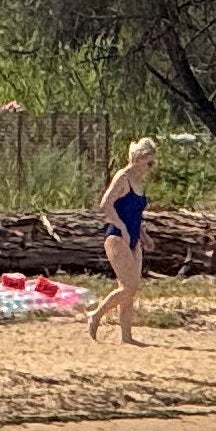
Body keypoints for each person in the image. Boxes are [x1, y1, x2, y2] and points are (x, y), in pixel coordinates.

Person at [87, 135, 159, 344]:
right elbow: (106, 204)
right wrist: (121, 227)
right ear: (139, 158)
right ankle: (96, 315)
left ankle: (126, 336)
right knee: (130, 286)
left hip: (134, 238)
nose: (150, 168)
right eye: (149, 163)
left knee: (128, 290)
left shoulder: (138, 183)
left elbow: (135, 214)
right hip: (117, 237)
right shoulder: (123, 177)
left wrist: (143, 235)